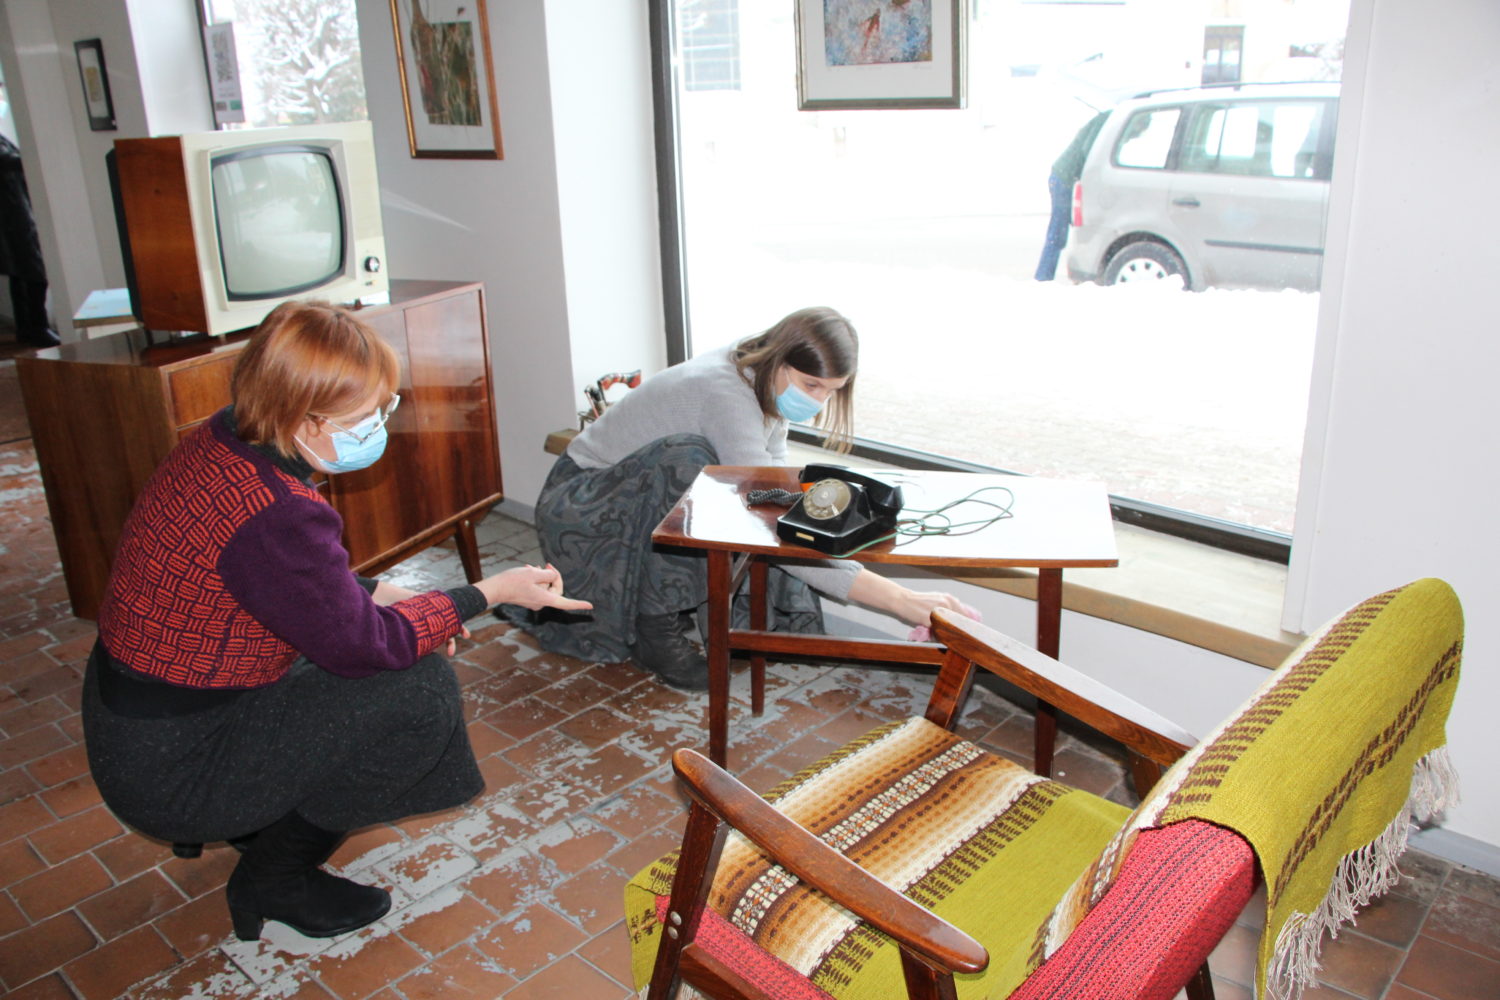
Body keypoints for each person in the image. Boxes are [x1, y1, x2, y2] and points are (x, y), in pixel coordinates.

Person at [81, 300, 590, 942]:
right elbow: (367, 648)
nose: (375, 427)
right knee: (418, 691)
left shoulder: (225, 440)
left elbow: (275, 580)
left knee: (384, 653)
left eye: (381, 409)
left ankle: (261, 820)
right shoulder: (278, 509)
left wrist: (379, 590)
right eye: (359, 419)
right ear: (301, 417)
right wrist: (489, 592)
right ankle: (274, 877)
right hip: (176, 764)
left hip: (144, 717)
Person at [504, 306, 965, 690]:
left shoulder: (761, 372)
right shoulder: (726, 394)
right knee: (695, 465)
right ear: (781, 360)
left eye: (832, 391)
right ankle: (654, 627)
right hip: (582, 500)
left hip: (624, 494)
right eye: (812, 385)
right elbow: (770, 520)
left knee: (741, 487)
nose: (819, 402)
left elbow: (775, 484)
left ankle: (689, 613)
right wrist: (898, 598)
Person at [1034, 110, 1108, 282]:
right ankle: (1043, 278)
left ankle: (1050, 275)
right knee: (1058, 233)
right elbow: (1089, 151)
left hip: (1065, 178)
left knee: (1067, 230)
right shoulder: (1106, 121)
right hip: (1064, 179)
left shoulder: (1106, 119)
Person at [0, 134, 59, 347]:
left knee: (23, 272)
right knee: (34, 272)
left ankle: (28, 328)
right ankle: (36, 327)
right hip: (12, 215)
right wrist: (36, 155)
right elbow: (9, 161)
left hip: (16, 210)